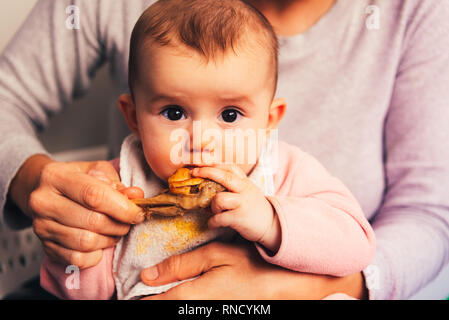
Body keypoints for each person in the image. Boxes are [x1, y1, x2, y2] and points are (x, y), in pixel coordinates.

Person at [1, 0, 448, 300]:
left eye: (230, 116)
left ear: (270, 120)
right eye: (173, 113)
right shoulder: (123, 180)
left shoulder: (282, 171)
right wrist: (77, 250)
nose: (200, 139)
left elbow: (357, 244)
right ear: (133, 116)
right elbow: (85, 285)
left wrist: (273, 222)